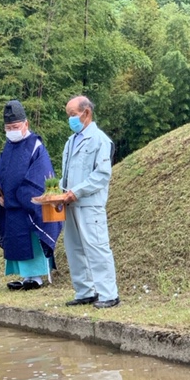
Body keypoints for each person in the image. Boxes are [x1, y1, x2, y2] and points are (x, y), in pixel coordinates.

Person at [0, 99, 62, 291]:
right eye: (8, 127)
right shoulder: (8, 146)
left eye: (15, 126)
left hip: (28, 205)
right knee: (16, 240)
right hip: (10, 206)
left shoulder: (36, 145)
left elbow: (40, 174)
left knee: (32, 239)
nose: (12, 130)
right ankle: (25, 276)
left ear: (25, 124)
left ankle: (36, 277)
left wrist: (22, 195)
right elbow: (1, 173)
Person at [60, 95, 119, 308]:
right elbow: (66, 174)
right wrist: (58, 192)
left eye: (73, 115)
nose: (70, 120)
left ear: (86, 113)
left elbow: (102, 174)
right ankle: (85, 291)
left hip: (89, 203)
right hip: (69, 203)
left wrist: (77, 191)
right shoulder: (70, 142)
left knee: (96, 247)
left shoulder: (100, 140)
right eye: (68, 116)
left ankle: (109, 294)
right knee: (74, 248)